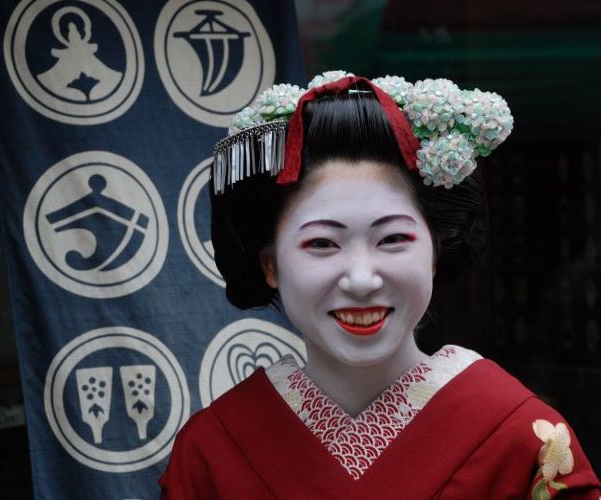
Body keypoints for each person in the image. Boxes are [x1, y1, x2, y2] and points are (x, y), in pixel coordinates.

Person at [159, 71, 600, 498]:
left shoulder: (521, 439)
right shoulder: (212, 451)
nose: (362, 280)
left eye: (392, 239)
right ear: (271, 265)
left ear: (436, 251)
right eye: (322, 243)